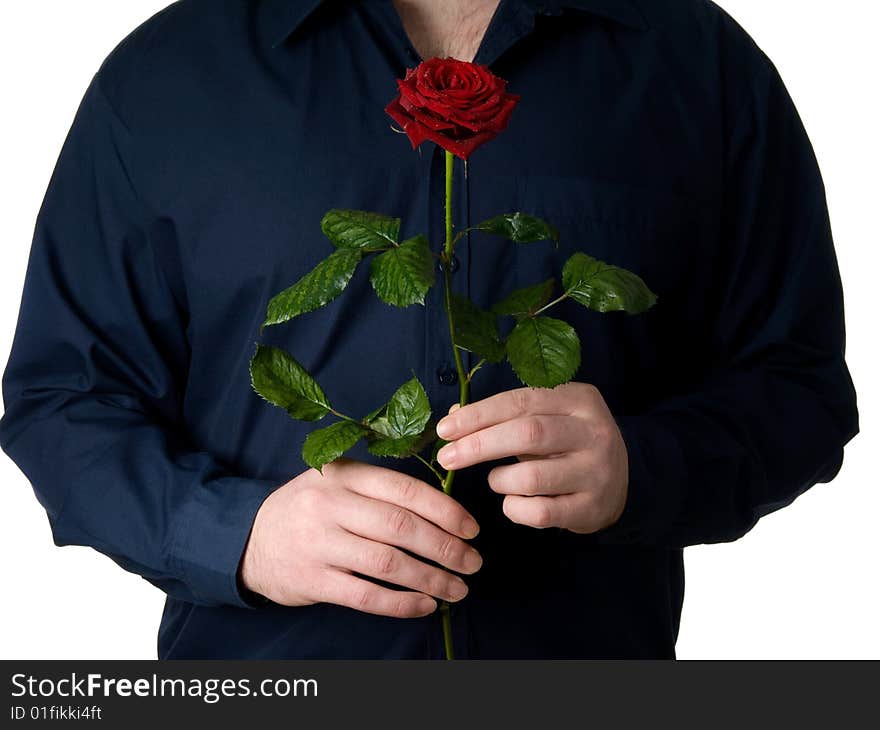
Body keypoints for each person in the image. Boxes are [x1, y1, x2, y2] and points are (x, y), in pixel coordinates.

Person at [0, 0, 859, 659]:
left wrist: (644, 466)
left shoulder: (700, 67)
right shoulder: (167, 77)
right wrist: (239, 537)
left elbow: (798, 386)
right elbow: (63, 397)